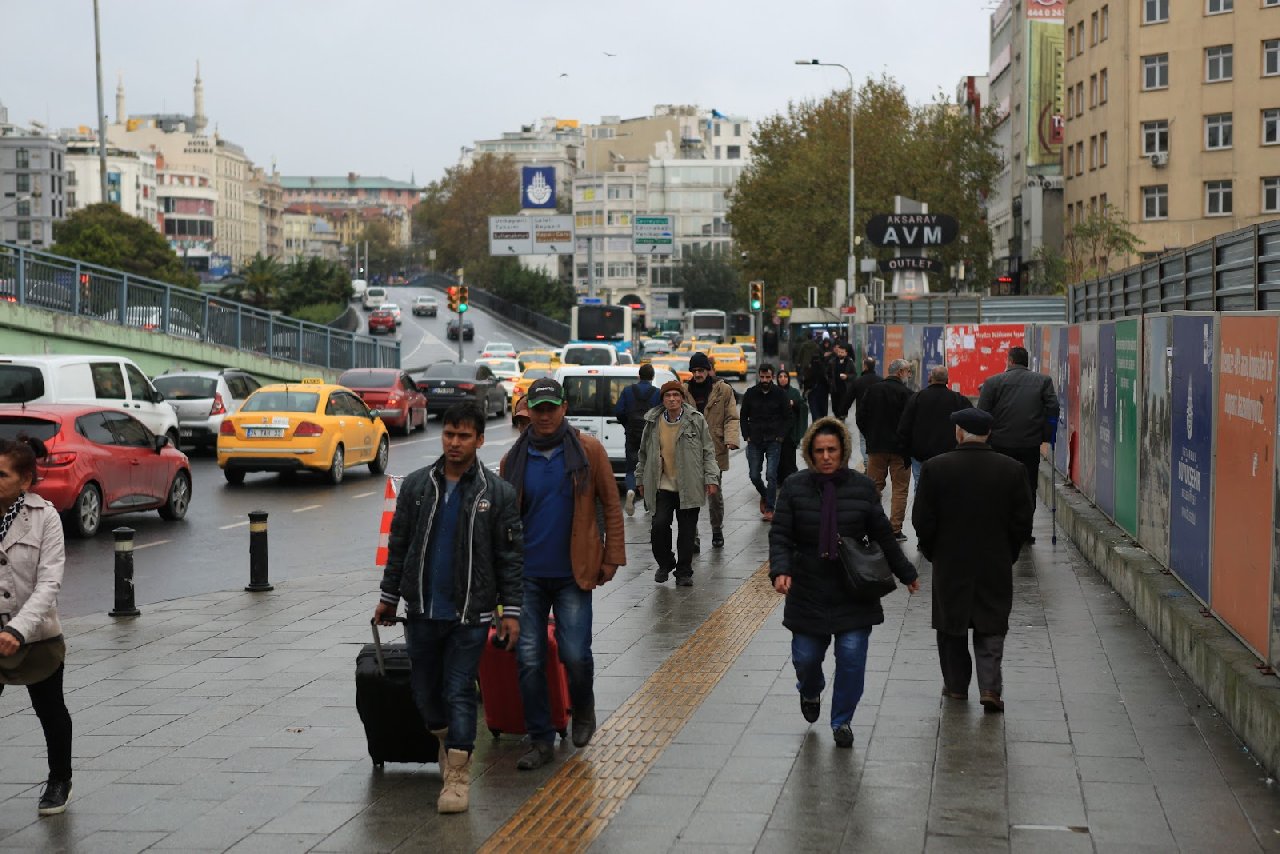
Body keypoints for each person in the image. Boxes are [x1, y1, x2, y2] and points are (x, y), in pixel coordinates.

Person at [375, 403, 523, 814]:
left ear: (479, 440)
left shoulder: (497, 494)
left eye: (463, 436)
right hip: (422, 609)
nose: (455, 443)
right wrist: (388, 598)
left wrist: (511, 612)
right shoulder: (419, 487)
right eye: (449, 435)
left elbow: (510, 558)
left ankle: (457, 775)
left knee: (459, 689)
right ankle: (446, 741)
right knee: (425, 691)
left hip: (470, 616)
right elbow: (399, 546)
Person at [769, 418, 920, 748]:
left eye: (832, 450)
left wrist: (906, 572)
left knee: (852, 657)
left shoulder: (861, 487)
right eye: (820, 450)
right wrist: (781, 570)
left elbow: (883, 534)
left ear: (843, 452)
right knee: (805, 658)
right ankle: (810, 690)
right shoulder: (795, 487)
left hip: (854, 590)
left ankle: (842, 721)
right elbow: (780, 536)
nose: (826, 456)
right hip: (808, 590)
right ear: (810, 452)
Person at [501, 378, 625, 770]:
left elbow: (611, 504)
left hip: (574, 571)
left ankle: (583, 708)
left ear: (564, 408)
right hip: (528, 577)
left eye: (551, 407)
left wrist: (611, 558)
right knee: (530, 659)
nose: (545, 415)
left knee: (574, 653)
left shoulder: (588, 450)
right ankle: (540, 739)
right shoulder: (513, 460)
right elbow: (503, 523)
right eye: (538, 409)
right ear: (528, 412)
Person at [912, 408, 1033, 713]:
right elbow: (1022, 520)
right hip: (994, 560)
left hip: (950, 561)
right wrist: (1009, 551)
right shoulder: (1012, 469)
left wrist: (932, 551)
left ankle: (956, 687)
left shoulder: (935, 468)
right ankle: (990, 686)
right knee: (991, 623)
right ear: (989, 433)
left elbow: (922, 520)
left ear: (958, 432)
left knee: (951, 624)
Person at [0, 437, 73, 816]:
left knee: (49, 709)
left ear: (26, 480)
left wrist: (18, 630)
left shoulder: (45, 517)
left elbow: (49, 583)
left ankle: (60, 779)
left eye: (1, 474)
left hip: (37, 635)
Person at [636, 381, 719, 586]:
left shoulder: (696, 420)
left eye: (676, 395)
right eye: (667, 396)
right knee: (659, 525)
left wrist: (711, 478)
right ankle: (665, 563)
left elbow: (708, 452)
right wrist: (640, 478)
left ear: (682, 398)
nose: (672, 399)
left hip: (689, 484)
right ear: (662, 399)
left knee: (687, 532)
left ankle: (683, 572)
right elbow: (643, 454)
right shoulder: (653, 422)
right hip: (661, 485)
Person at [977, 346, 1059, 543]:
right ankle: (1024, 532)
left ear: (1010, 360)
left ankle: (1001, 529)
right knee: (1028, 486)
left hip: (999, 445)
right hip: (1029, 444)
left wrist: (985, 438)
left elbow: (982, 413)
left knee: (999, 486)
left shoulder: (993, 382)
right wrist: (1047, 435)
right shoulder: (1043, 381)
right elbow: (1053, 407)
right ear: (1026, 362)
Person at [683, 351, 740, 548]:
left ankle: (717, 529)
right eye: (695, 370)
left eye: (701, 370)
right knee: (692, 495)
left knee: (714, 493)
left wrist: (731, 439)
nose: (698, 374)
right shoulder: (684, 391)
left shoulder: (723, 390)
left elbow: (732, 416)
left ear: (708, 370)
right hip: (690, 449)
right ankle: (694, 537)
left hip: (715, 448)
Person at [856, 359, 914, 540]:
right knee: (900, 489)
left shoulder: (872, 391)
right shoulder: (907, 394)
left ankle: (874, 526)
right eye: (908, 372)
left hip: (876, 448)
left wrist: (870, 436)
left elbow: (860, 417)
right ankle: (895, 530)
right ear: (900, 372)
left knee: (874, 487)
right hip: (900, 450)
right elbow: (912, 421)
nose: (909, 375)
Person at [897, 366, 971, 487]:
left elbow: (904, 427)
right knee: (947, 488)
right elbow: (970, 424)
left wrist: (906, 453)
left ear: (930, 378)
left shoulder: (917, 398)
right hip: (949, 456)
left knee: (920, 488)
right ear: (947, 380)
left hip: (920, 455)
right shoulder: (958, 399)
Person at [738, 363, 793, 522]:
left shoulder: (780, 394)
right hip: (754, 439)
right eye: (762, 377)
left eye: (768, 377)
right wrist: (746, 434)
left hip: (773, 440)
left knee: (771, 475)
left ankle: (770, 508)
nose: (765, 380)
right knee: (754, 475)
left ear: (772, 376)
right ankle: (765, 495)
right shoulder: (751, 393)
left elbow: (788, 417)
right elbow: (743, 416)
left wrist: (781, 436)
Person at [614, 363, 661, 516]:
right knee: (649, 467)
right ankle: (648, 502)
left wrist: (627, 424)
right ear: (652, 377)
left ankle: (630, 490)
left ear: (639, 376)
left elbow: (619, 411)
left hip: (632, 434)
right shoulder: (657, 393)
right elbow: (661, 414)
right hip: (650, 436)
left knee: (631, 467)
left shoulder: (628, 391)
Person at [776, 368, 808, 484]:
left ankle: (791, 481)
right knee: (778, 458)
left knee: (789, 458)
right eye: (780, 377)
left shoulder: (794, 392)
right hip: (777, 431)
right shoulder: (774, 391)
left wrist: (793, 403)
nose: (783, 379)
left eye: (785, 377)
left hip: (791, 432)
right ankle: (779, 480)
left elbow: (802, 407)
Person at [848, 358, 881, 464]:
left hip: (862, 416)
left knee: (863, 440)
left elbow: (849, 398)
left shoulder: (858, 381)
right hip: (877, 416)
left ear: (865, 366)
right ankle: (874, 462)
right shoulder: (881, 381)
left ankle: (867, 463)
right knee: (875, 439)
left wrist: (842, 412)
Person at [827, 342, 857, 420]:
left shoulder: (850, 362)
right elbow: (828, 374)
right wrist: (830, 382)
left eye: (842, 352)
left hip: (845, 389)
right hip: (835, 389)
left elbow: (854, 374)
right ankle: (838, 418)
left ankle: (841, 420)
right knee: (835, 408)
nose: (840, 354)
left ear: (846, 353)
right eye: (839, 352)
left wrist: (847, 376)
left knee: (843, 407)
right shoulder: (832, 362)